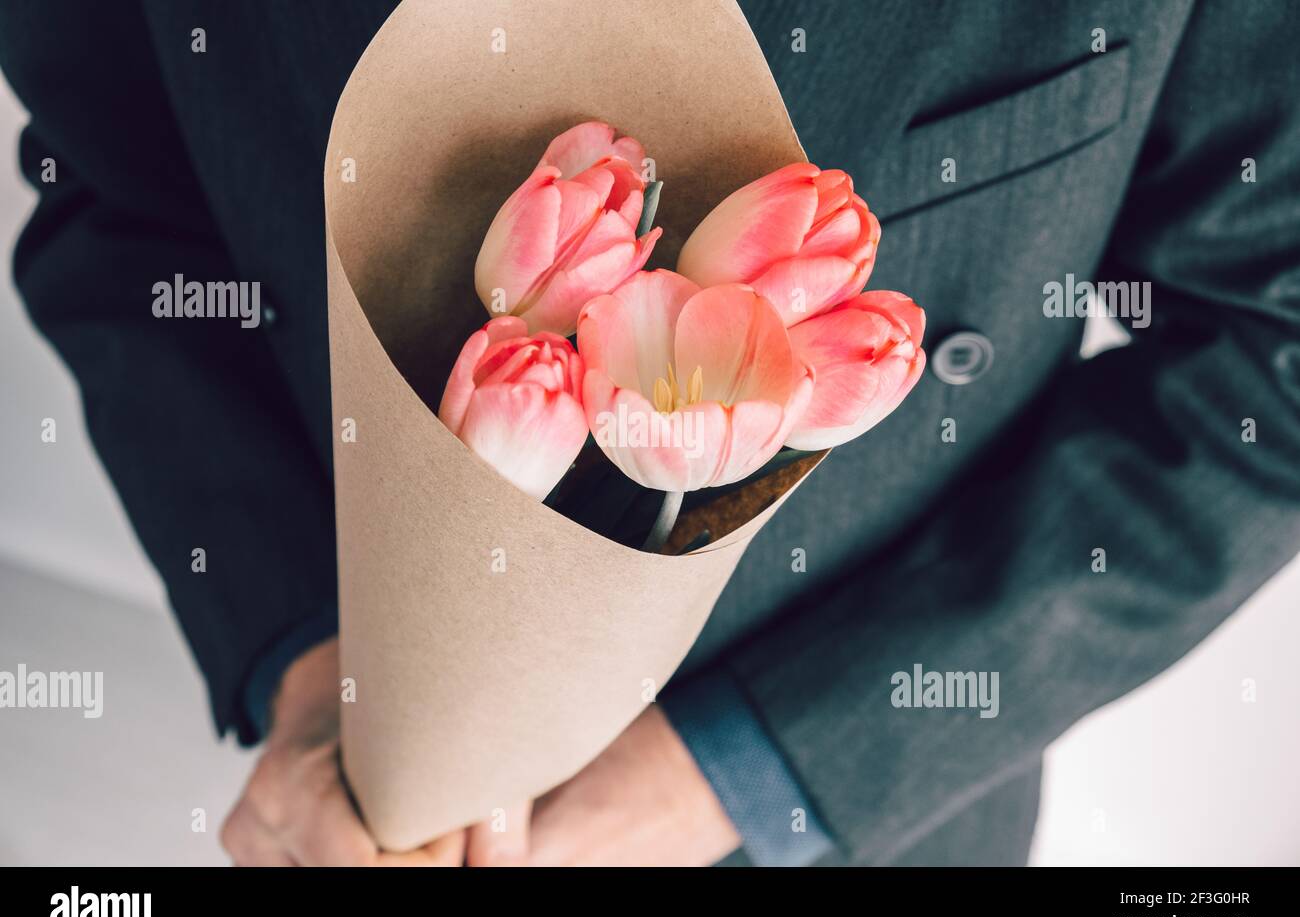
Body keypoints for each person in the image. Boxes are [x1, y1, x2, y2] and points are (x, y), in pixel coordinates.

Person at [2, 0, 1296, 866]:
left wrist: (741, 770)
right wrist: (309, 668)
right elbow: (120, 200)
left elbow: (1276, 358)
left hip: (859, 800)